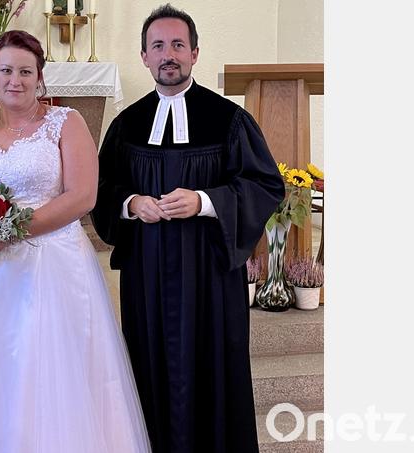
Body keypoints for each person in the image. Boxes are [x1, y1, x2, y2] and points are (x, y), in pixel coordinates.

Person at [0, 30, 152, 453]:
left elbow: (83, 196)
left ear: (40, 78)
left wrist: (6, 231)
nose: (15, 80)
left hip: (55, 264)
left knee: (53, 370)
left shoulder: (66, 122)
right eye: (6, 70)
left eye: (26, 71)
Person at [91, 4, 286, 453]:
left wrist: (205, 201)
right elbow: (101, 188)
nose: (168, 55)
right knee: (150, 362)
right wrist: (130, 202)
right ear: (143, 56)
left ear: (196, 53)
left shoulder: (229, 119)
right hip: (149, 275)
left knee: (212, 363)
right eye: (158, 46)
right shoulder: (127, 125)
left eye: (178, 45)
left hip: (210, 273)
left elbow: (264, 183)